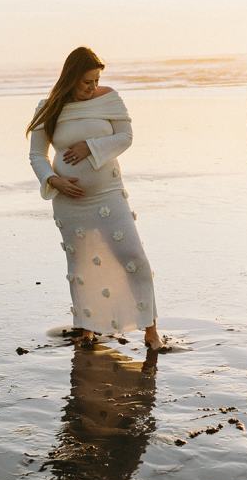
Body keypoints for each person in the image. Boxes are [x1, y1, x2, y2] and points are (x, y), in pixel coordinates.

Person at [27, 46, 162, 351]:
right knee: (81, 265)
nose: (92, 87)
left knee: (133, 257)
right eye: (87, 82)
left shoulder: (109, 98)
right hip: (69, 202)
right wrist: (53, 180)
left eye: (96, 80)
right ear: (71, 78)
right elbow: (37, 154)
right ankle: (87, 327)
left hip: (108, 194)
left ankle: (151, 329)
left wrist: (90, 146)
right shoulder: (47, 108)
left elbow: (125, 138)